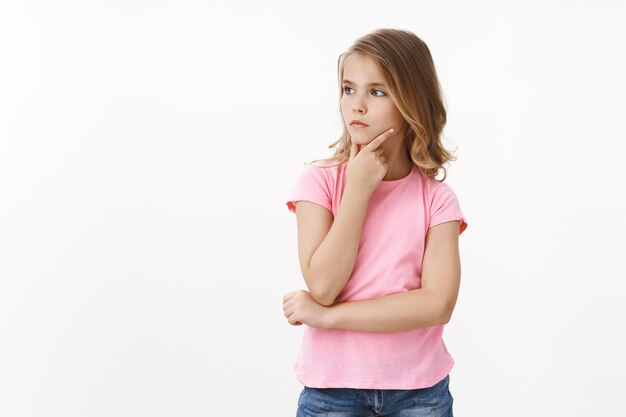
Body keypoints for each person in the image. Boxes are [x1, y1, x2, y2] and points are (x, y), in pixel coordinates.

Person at [282, 28, 468, 417]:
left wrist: (328, 318)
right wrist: (358, 188)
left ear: (411, 103)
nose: (357, 106)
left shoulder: (437, 200)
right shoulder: (318, 181)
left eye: (377, 92)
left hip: (420, 393)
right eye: (349, 89)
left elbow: (437, 305)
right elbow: (324, 284)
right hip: (331, 391)